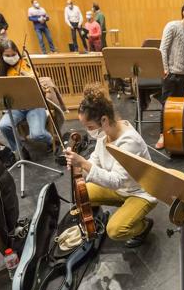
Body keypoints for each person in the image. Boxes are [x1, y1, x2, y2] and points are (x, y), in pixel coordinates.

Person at [65, 84, 156, 247]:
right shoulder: (105, 132)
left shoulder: (129, 142)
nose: (88, 131)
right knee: (82, 194)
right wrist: (79, 167)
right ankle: (126, 210)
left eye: (90, 127)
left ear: (104, 120)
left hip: (139, 192)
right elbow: (95, 161)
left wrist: (84, 163)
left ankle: (143, 226)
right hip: (120, 189)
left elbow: (116, 181)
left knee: (115, 230)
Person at [155, 1, 184, 149]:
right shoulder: (172, 26)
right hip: (170, 75)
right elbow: (163, 48)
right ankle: (162, 135)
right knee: (166, 106)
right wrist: (165, 69)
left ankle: (176, 133)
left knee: (179, 107)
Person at [0, 40, 53, 156]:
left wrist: (28, 76)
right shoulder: (0, 71)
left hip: (34, 105)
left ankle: (52, 140)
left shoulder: (25, 64)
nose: (11, 57)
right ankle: (20, 149)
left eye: (13, 55)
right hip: (16, 107)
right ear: (2, 56)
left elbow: (35, 77)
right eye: (7, 55)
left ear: (18, 52)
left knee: (37, 135)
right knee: (4, 125)